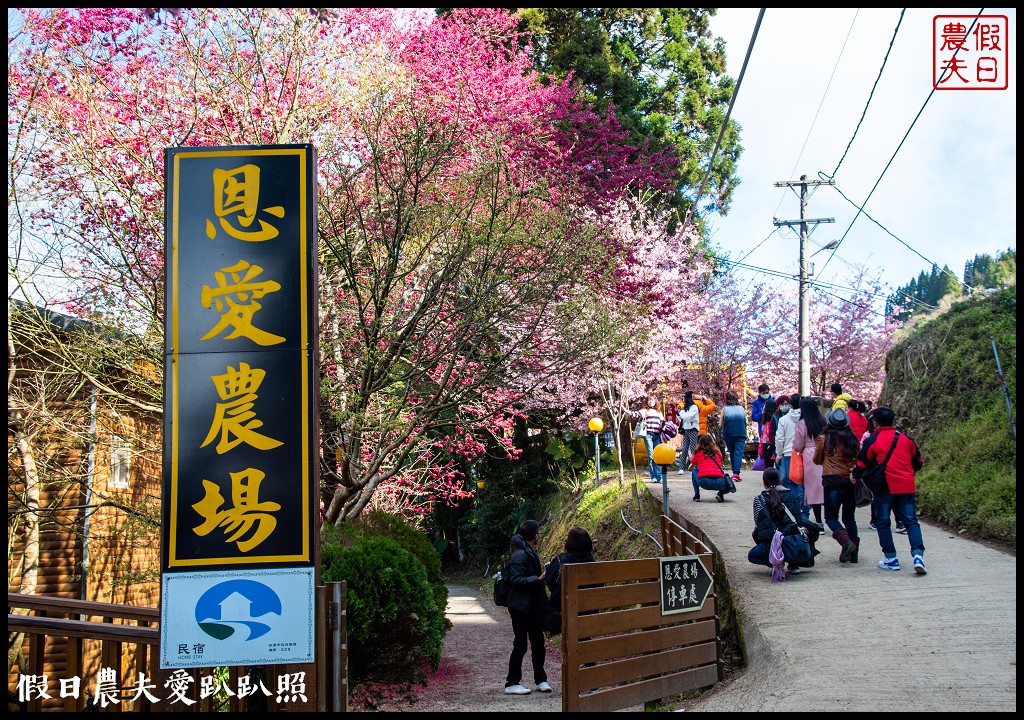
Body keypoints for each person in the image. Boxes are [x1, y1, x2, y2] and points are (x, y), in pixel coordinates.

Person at [852, 407, 927, 574]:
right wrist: (908, 472)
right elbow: (918, 461)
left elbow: (862, 464)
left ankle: (891, 558)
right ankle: (918, 556)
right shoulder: (906, 439)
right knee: (911, 521)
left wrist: (854, 477)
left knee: (883, 522)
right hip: (906, 485)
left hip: (884, 487)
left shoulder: (873, 440)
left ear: (875, 422)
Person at [503, 519, 551, 695]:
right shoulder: (520, 555)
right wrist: (538, 579)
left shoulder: (527, 552)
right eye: (538, 532)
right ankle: (512, 682)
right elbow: (516, 580)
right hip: (520, 607)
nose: (540, 535)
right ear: (534, 535)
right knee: (521, 645)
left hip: (531, 606)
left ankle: (541, 680)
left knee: (538, 643)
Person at [748, 467, 821, 576]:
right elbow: (798, 520)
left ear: (764, 482)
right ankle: (794, 563)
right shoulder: (790, 495)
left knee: (753, 555)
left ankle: (776, 560)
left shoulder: (760, 500)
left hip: (774, 542)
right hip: (794, 543)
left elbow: (760, 527)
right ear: (779, 480)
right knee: (790, 535)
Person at [813, 408, 862, 563]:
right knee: (849, 517)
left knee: (831, 517)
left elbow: (816, 460)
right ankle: (854, 552)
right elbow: (857, 457)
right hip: (849, 480)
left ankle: (846, 541)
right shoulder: (852, 437)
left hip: (832, 481)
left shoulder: (824, 438)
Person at [544, 527, 596, 636]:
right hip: (589, 611)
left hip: (565, 612)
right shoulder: (593, 563)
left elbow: (550, 582)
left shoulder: (561, 560)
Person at [792, 396, 826, 528]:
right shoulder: (823, 421)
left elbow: (798, 445)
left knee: (813, 490)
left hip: (809, 456)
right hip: (825, 454)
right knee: (825, 487)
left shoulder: (802, 423)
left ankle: (819, 521)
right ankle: (831, 518)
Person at [775, 392, 803, 508]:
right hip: (803, 453)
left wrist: (779, 455)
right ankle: (803, 504)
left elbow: (779, 439)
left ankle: (794, 504)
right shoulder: (805, 418)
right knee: (803, 481)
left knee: (791, 481)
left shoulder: (783, 420)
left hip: (788, 453)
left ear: (790, 405)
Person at [689, 433, 735, 503]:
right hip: (720, 483)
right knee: (728, 483)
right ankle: (720, 494)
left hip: (704, 482)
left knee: (694, 471)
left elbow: (693, 462)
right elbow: (721, 459)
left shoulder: (698, 452)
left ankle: (697, 495)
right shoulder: (717, 451)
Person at [629, 396, 666, 484]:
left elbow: (663, 422)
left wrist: (664, 426)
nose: (650, 402)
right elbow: (635, 414)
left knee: (657, 455)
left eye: (652, 400)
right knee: (651, 455)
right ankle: (653, 476)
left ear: (655, 401)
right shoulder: (645, 411)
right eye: (649, 400)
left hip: (657, 435)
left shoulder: (659, 412)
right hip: (648, 434)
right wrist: (626, 411)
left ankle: (659, 476)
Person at [721, 390, 747, 482]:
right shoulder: (741, 409)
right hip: (740, 433)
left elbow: (721, 423)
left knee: (732, 452)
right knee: (738, 453)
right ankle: (736, 473)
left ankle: (734, 472)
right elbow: (744, 422)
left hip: (728, 434)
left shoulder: (724, 409)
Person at [674, 391, 700, 475]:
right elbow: (682, 419)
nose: (683, 400)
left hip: (692, 429)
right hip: (685, 429)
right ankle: (681, 467)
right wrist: (679, 414)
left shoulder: (694, 407)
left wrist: (681, 413)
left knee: (693, 448)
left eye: (684, 398)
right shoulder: (685, 408)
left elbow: (688, 417)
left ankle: (695, 466)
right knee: (684, 449)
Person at [759, 398, 779, 469]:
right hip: (773, 443)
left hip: (766, 444)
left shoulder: (766, 420)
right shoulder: (776, 418)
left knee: (768, 465)